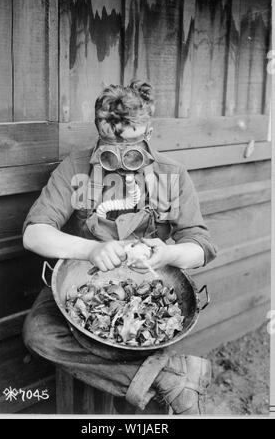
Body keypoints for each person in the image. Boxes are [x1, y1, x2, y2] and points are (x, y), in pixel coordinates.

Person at [22, 81, 217, 415]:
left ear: (149, 130)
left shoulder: (173, 174)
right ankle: (170, 380)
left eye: (130, 142)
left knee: (144, 344)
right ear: (98, 128)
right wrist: (89, 250)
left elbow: (200, 246)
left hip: (148, 285)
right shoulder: (75, 167)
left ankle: (154, 388)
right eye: (108, 142)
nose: (121, 157)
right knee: (39, 334)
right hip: (83, 282)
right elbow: (33, 234)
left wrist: (168, 254)